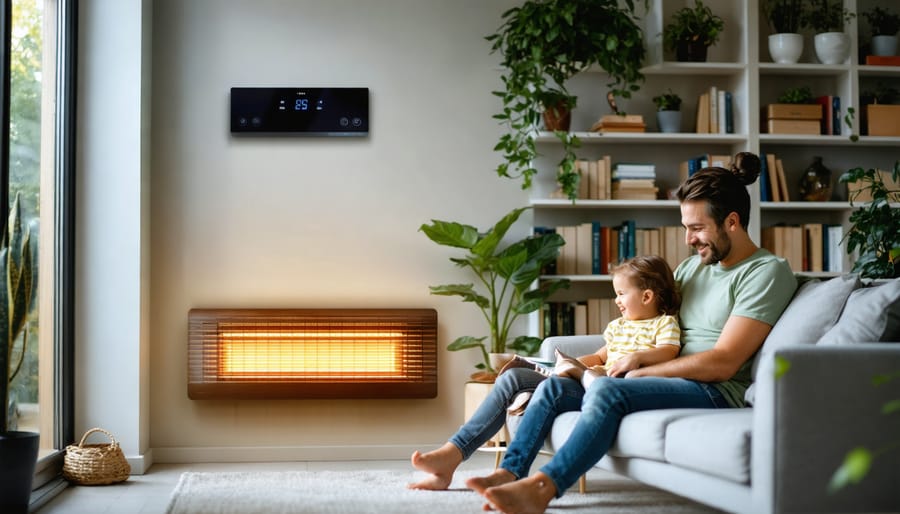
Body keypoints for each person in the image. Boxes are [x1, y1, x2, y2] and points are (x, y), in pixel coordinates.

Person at [468, 152, 798, 514]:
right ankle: (510, 473)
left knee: (608, 390)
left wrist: (638, 371)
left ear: (732, 222)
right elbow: (652, 324)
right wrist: (606, 359)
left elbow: (724, 362)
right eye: (685, 227)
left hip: (714, 390)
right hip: (667, 374)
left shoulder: (766, 272)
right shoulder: (692, 268)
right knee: (555, 385)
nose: (688, 239)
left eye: (697, 228)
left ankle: (543, 489)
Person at [502, 254, 682, 414]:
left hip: (618, 381)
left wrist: (637, 357)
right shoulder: (618, 326)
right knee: (570, 372)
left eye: (621, 293)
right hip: (599, 374)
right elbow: (599, 356)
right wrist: (576, 361)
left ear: (646, 297)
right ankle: (542, 378)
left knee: (580, 378)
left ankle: (539, 387)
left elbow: (668, 351)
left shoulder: (664, 323)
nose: (616, 300)